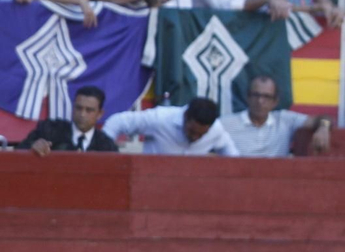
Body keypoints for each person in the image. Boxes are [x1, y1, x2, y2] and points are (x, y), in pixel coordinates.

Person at [225, 73, 332, 156]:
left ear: (275, 102)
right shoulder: (226, 124)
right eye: (256, 95)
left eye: (266, 97)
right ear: (248, 97)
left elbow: (325, 118)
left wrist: (324, 127)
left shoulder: (285, 120)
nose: (260, 101)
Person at [101, 97, 240, 155]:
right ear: (185, 117)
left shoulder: (216, 129)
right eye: (192, 131)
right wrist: (103, 149)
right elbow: (117, 121)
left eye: (201, 135)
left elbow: (231, 154)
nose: (195, 137)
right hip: (150, 183)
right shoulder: (160, 118)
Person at [17, 85, 117, 155]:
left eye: (89, 110)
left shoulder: (107, 146)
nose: (82, 114)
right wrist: (32, 147)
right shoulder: (49, 130)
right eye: (78, 108)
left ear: (100, 114)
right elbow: (18, 153)